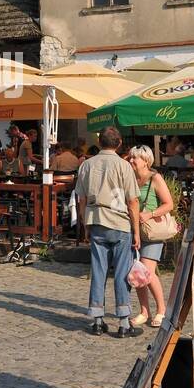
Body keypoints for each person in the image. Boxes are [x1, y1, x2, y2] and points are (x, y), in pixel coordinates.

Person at [74, 126, 142, 338]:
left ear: (100, 142)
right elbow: (133, 201)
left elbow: (81, 200)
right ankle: (123, 322)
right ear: (119, 143)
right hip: (120, 222)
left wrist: (85, 225)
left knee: (99, 270)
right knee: (122, 273)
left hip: (96, 221)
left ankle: (97, 319)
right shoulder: (124, 166)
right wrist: (137, 231)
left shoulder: (86, 165)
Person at [127, 145, 173, 328]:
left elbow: (169, 204)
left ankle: (161, 310)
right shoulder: (131, 179)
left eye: (134, 158)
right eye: (130, 157)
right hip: (135, 230)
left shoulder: (155, 178)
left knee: (147, 271)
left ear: (145, 161)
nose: (130, 161)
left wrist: (150, 213)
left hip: (152, 231)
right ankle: (144, 311)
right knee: (138, 272)